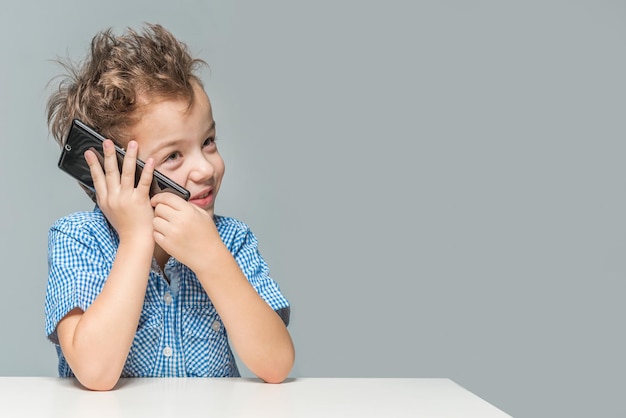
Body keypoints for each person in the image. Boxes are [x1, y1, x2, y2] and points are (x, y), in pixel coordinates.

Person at [44, 23, 294, 391]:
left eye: (208, 141)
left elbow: (276, 364)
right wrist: (135, 239)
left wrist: (212, 257)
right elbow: (95, 373)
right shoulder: (78, 240)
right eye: (174, 155)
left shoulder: (233, 240)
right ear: (116, 171)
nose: (206, 168)